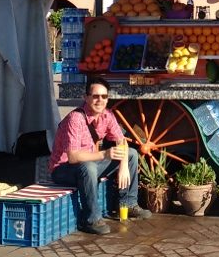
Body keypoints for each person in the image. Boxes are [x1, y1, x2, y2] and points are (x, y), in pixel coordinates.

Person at [49, 76, 151, 235]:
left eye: (104, 96)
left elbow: (121, 141)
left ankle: (129, 203)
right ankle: (91, 219)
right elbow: (73, 157)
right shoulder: (75, 119)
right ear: (86, 97)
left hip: (88, 164)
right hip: (63, 170)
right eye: (95, 96)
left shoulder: (107, 115)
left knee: (130, 154)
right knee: (88, 167)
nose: (100, 100)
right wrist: (104, 154)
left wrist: (123, 165)